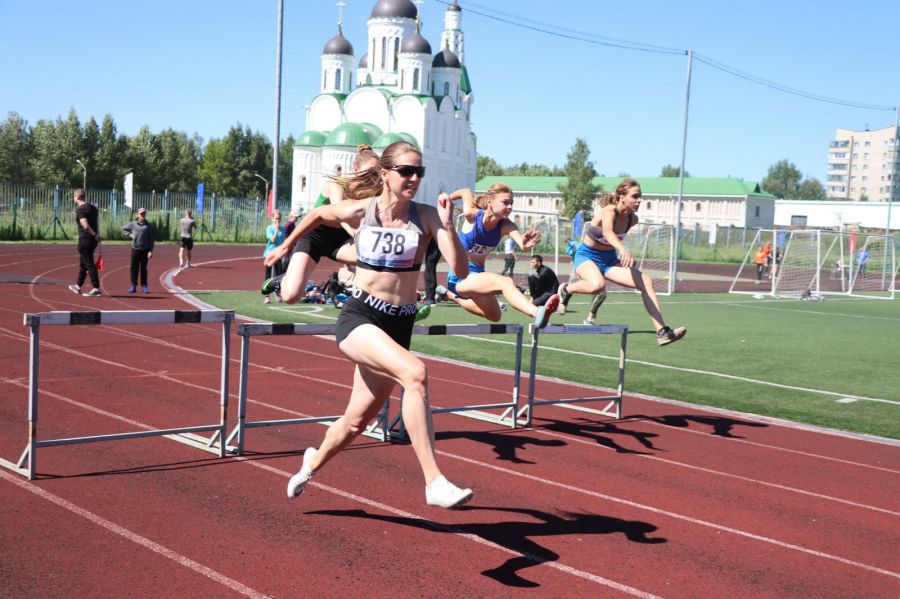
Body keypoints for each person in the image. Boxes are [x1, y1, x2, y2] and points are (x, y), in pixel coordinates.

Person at [266, 140, 474, 508]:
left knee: (355, 422)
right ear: (385, 174)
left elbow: (459, 270)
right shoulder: (363, 210)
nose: (414, 178)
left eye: (419, 172)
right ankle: (434, 481)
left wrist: (449, 228)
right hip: (360, 317)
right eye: (406, 171)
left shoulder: (426, 215)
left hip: (399, 324)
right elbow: (318, 216)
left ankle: (310, 463)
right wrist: (285, 246)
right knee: (416, 374)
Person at [557, 178, 686, 346]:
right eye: (635, 196)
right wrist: (623, 249)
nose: (639, 200)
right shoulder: (609, 211)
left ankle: (662, 332)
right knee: (598, 286)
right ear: (621, 197)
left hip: (609, 261)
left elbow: (613, 237)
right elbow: (608, 232)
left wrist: (625, 257)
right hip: (587, 256)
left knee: (645, 281)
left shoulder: (633, 219)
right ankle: (566, 290)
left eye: (640, 196)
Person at [262, 145, 379, 304]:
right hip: (315, 237)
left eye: (376, 173)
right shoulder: (336, 184)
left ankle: (378, 299)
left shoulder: (375, 191)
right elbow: (341, 216)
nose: (373, 178)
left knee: (377, 253)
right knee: (291, 296)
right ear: (356, 168)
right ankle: (281, 280)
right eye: (370, 172)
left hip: (342, 240)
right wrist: (358, 234)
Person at [433, 185, 559, 328]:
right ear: (489, 201)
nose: (510, 207)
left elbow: (521, 242)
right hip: (460, 277)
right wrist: (447, 198)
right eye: (505, 202)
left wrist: (524, 243)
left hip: (478, 276)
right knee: (505, 282)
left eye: (511, 203)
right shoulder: (472, 215)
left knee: (494, 315)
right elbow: (465, 191)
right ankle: (537, 312)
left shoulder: (507, 226)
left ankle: (448, 295)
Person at [68, 188, 103, 297]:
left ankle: (96, 287)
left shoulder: (80, 210)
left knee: (89, 263)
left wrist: (94, 234)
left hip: (86, 239)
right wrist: (97, 235)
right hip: (93, 241)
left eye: (74, 196)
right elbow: (96, 223)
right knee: (83, 263)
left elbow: (85, 226)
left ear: (77, 197)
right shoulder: (93, 208)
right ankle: (78, 286)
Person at [122, 207, 156, 293]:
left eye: (144, 213)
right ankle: (133, 285)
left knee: (143, 268)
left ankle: (144, 286)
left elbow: (151, 239)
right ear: (138, 215)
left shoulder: (148, 225)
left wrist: (151, 251)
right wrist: (129, 235)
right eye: (141, 213)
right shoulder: (133, 224)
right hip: (135, 249)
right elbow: (123, 229)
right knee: (134, 268)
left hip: (145, 250)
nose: (143, 215)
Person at [262, 210, 285, 304]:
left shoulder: (283, 229)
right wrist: (276, 230)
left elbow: (282, 242)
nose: (277, 221)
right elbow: (273, 239)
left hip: (278, 254)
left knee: (278, 275)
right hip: (269, 254)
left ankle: (276, 293)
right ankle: (266, 296)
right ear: (272, 219)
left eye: (279, 219)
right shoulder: (269, 228)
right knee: (268, 275)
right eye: (276, 219)